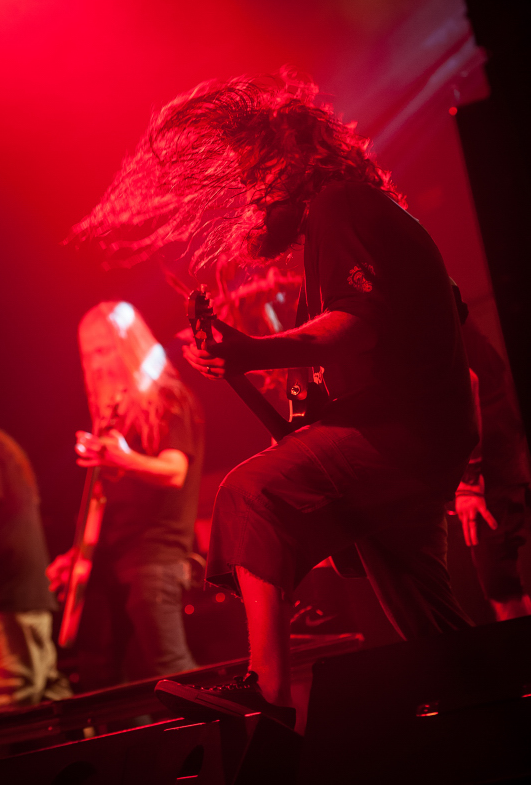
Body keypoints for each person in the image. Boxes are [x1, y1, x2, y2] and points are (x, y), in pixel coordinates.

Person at [66, 70, 478, 725]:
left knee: (250, 492)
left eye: (258, 172)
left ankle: (268, 690)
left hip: (399, 438)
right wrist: (249, 368)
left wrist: (249, 349)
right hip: (424, 441)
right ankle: (488, 714)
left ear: (293, 164)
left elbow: (353, 328)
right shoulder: (365, 216)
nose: (251, 191)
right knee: (425, 607)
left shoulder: (340, 205)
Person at [47, 302, 203, 689]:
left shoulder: (169, 399)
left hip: (155, 562)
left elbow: (174, 471)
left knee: (175, 673)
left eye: (105, 350)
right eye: (88, 355)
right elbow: (112, 510)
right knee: (122, 688)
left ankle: (226, 739)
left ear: (129, 348)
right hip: (117, 568)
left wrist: (124, 457)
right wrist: (76, 558)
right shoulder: (115, 418)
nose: (96, 364)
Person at [453, 317, 531, 622]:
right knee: (505, 588)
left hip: (490, 476)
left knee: (503, 591)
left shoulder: (419, 310)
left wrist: (470, 480)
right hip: (502, 462)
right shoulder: (448, 308)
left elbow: (466, 383)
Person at [0, 428, 71, 708]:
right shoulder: (7, 447)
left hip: (13, 594)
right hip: (27, 590)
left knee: (14, 697)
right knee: (48, 690)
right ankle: (84, 746)